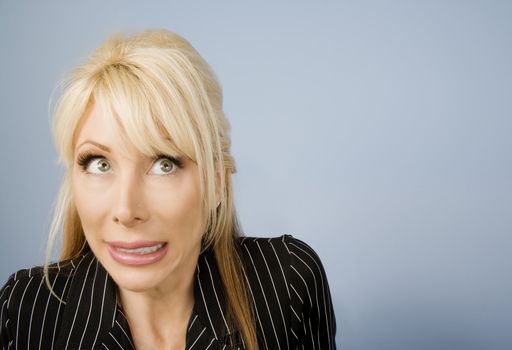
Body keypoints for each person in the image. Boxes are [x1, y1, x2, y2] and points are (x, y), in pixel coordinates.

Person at [0, 28, 336, 349]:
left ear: (217, 183)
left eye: (165, 164)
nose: (126, 210)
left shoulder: (289, 283)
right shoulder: (24, 312)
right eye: (99, 163)